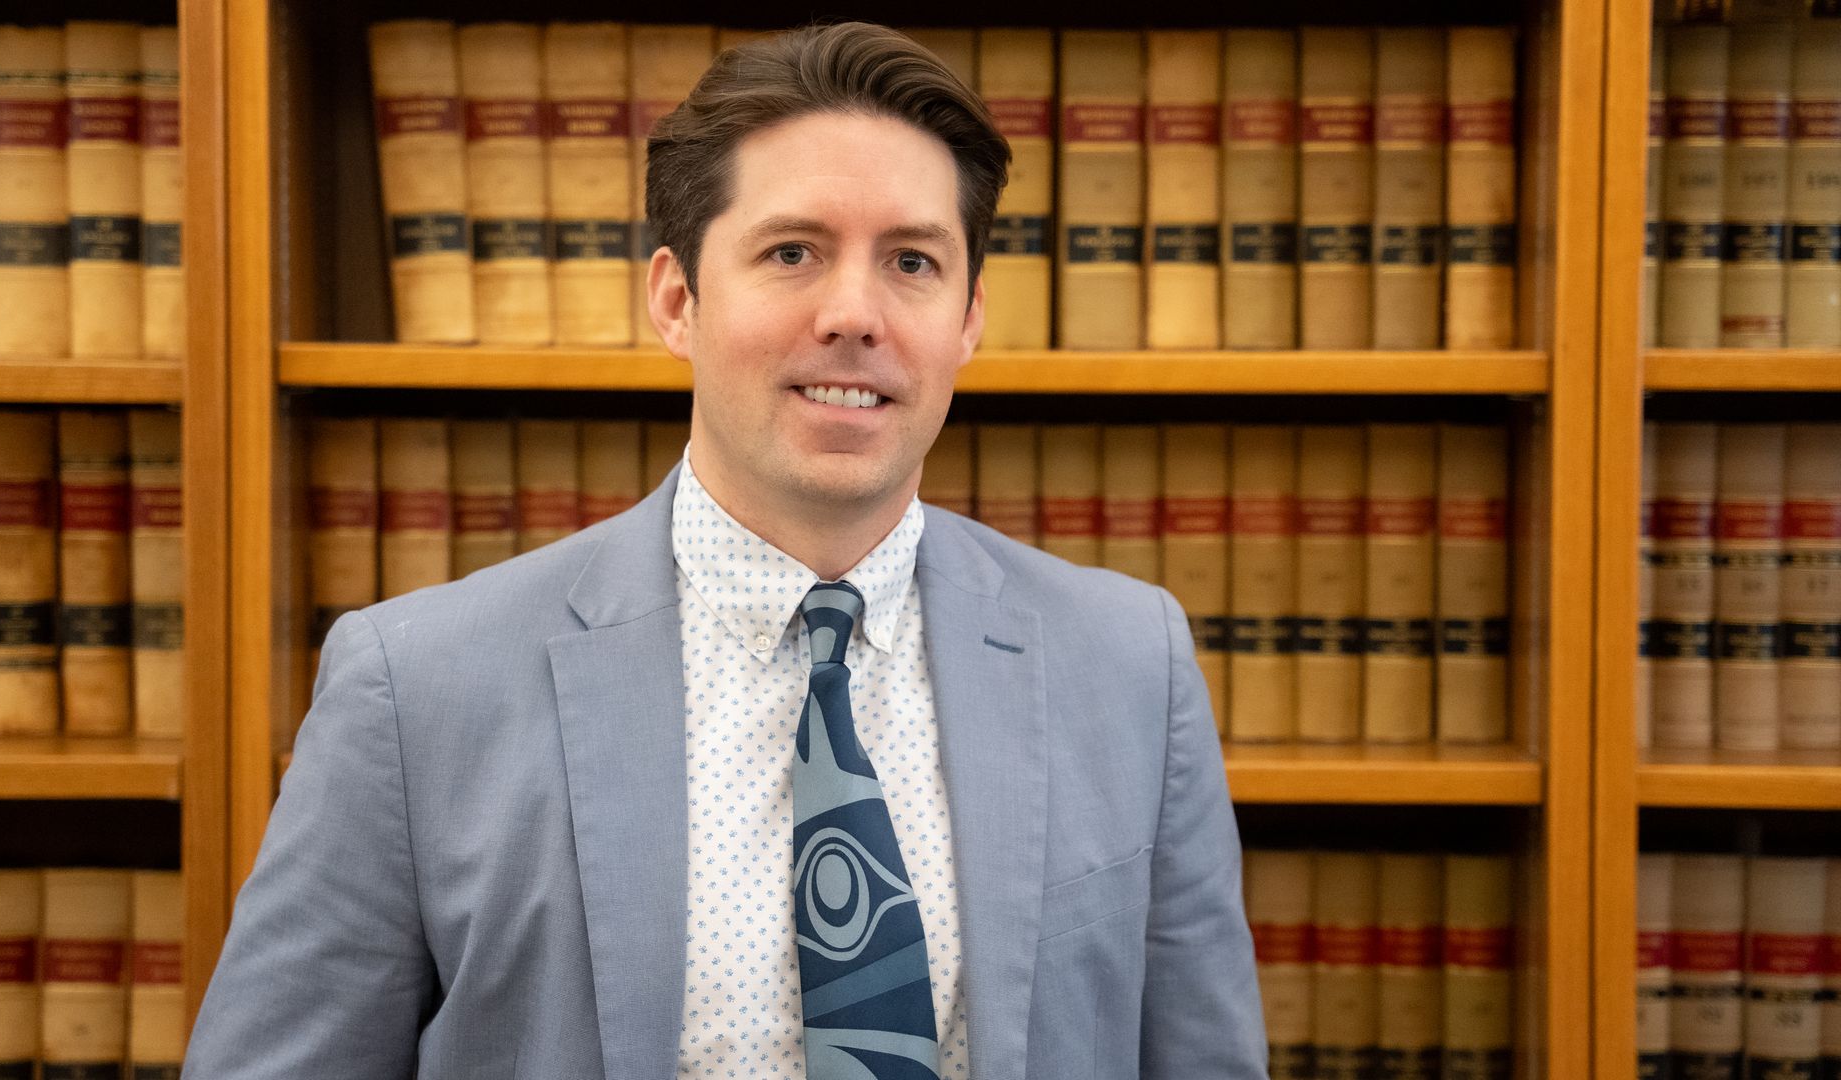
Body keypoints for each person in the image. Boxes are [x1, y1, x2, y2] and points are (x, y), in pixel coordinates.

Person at [185, 21, 1265, 1080]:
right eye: (792, 252)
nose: (856, 312)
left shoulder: (1130, 664)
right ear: (675, 299)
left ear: (969, 318)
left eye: (912, 261)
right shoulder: (415, 690)